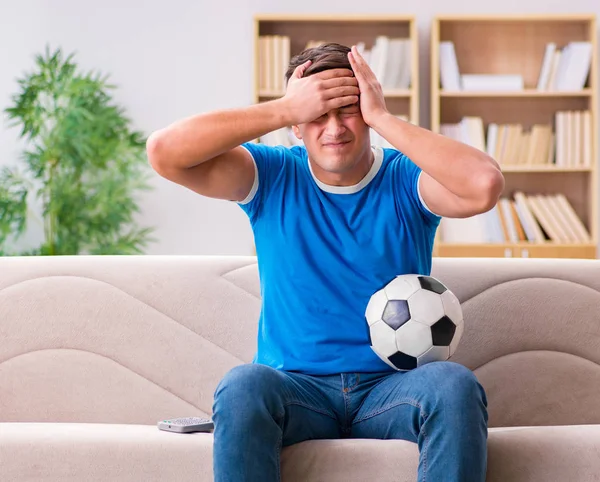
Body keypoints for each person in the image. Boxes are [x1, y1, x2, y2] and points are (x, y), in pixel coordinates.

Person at [147, 42, 504, 482]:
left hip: (390, 390)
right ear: (296, 126)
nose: (334, 128)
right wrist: (285, 108)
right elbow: (164, 151)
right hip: (298, 390)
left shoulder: (405, 180)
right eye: (318, 113)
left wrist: (385, 120)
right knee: (242, 386)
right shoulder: (272, 176)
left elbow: (484, 184)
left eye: (348, 109)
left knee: (454, 385)